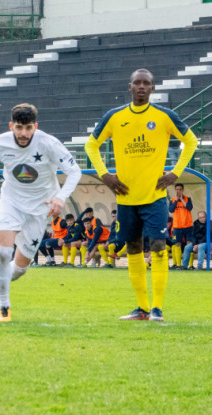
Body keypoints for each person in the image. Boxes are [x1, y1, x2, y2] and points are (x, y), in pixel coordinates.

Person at [84, 68, 198, 322]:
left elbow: (191, 141)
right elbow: (90, 145)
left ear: (153, 88)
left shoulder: (164, 116)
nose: (142, 87)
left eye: (147, 83)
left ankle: (157, 308)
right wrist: (104, 175)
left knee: (157, 247)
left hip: (155, 197)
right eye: (138, 83)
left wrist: (176, 173)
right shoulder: (114, 117)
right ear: (130, 87)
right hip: (126, 199)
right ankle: (142, 308)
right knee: (133, 248)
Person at [0, 103, 81, 322]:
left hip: (40, 209)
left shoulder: (48, 143)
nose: (23, 133)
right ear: (11, 126)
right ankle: (4, 307)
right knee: (2, 252)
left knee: (19, 269)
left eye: (28, 128)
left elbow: (74, 171)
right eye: (19, 127)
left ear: (35, 127)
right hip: (11, 202)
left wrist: (60, 197)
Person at [168, 183, 193, 269]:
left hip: (188, 225)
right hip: (177, 226)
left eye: (180, 189)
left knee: (189, 244)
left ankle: (190, 265)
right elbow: (171, 210)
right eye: (177, 189)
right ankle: (178, 265)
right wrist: (176, 201)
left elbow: (189, 208)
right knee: (177, 244)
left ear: (182, 190)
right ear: (175, 190)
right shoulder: (172, 200)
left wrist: (182, 200)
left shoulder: (187, 199)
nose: (178, 191)